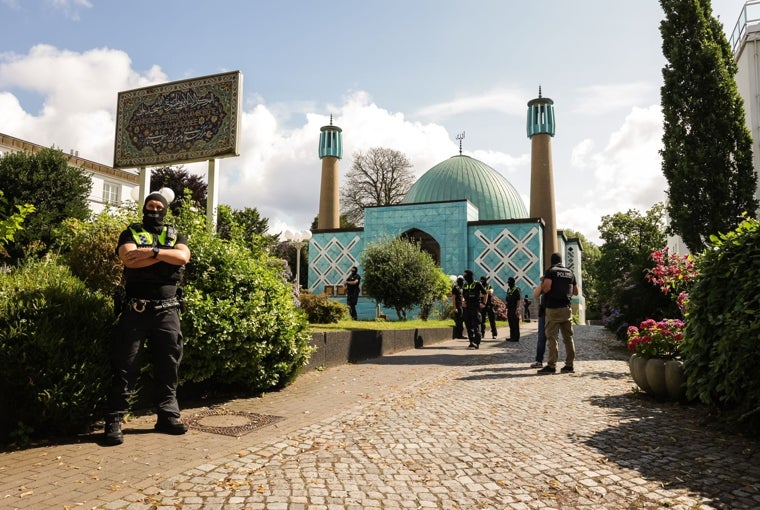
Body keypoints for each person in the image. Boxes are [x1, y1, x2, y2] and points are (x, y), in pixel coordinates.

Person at [103, 189, 191, 446]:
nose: (154, 211)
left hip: (168, 310)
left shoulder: (176, 234)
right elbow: (129, 259)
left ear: (165, 210)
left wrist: (150, 253)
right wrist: (164, 255)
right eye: (150, 207)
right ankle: (114, 420)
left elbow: (183, 256)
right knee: (125, 364)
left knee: (169, 364)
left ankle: (168, 416)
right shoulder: (130, 231)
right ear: (144, 209)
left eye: (158, 208)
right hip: (136, 310)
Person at [537, 252, 579, 374]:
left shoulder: (551, 271)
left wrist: (544, 281)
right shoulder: (570, 272)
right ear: (561, 261)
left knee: (552, 338)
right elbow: (575, 291)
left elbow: (546, 288)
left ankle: (551, 365)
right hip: (567, 308)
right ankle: (569, 365)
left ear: (552, 261)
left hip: (553, 308)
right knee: (568, 338)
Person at [461, 269, 487, 349]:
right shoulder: (465, 285)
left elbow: (485, 293)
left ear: (470, 275)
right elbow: (462, 295)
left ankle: (476, 342)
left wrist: (484, 303)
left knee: (476, 325)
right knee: (468, 326)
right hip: (467, 307)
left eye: (465, 275)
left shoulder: (477, 284)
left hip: (475, 307)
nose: (464, 276)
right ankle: (471, 342)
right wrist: (463, 301)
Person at [530, 278, 547, 368]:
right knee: (553, 338)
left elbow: (536, 294)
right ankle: (553, 363)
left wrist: (542, 282)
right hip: (556, 311)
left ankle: (539, 361)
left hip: (546, 312)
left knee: (542, 338)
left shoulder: (548, 278)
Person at [505, 277, 521, 342]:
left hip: (514, 308)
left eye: (509, 283)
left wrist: (517, 309)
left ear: (513, 282)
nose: (508, 284)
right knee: (510, 322)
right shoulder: (508, 289)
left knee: (515, 323)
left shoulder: (516, 289)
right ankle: (512, 336)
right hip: (509, 308)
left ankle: (516, 337)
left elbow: (518, 300)